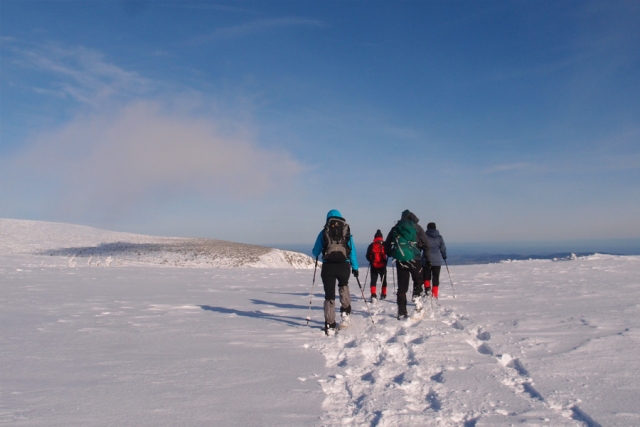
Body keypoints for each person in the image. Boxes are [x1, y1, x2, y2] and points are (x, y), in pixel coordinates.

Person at [312, 209, 359, 334]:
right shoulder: (346, 231)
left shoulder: (324, 232)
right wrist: (355, 267)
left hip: (328, 268)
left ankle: (330, 325)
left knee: (329, 296)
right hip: (344, 266)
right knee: (343, 287)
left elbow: (315, 252)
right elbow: (352, 250)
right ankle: (345, 314)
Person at [383, 210, 430, 319]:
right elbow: (427, 244)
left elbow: (386, 245)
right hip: (415, 259)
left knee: (402, 287)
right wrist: (426, 257)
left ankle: (402, 312)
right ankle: (417, 299)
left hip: (400, 260)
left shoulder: (395, 228)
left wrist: (392, 253)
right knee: (418, 280)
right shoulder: (417, 227)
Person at [424, 222, 447, 299]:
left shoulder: (424, 236)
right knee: (436, 278)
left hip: (426, 260)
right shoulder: (439, 237)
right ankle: (435, 295)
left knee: (426, 276)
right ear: (435, 228)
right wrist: (444, 257)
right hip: (437, 261)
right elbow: (443, 248)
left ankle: (427, 291)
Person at [365, 229, 388, 302]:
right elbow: (388, 253)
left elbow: (367, 256)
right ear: (381, 237)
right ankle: (383, 294)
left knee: (373, 281)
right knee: (383, 280)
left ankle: (373, 295)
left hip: (373, 266)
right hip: (382, 266)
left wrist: (371, 261)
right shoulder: (384, 244)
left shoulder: (371, 245)